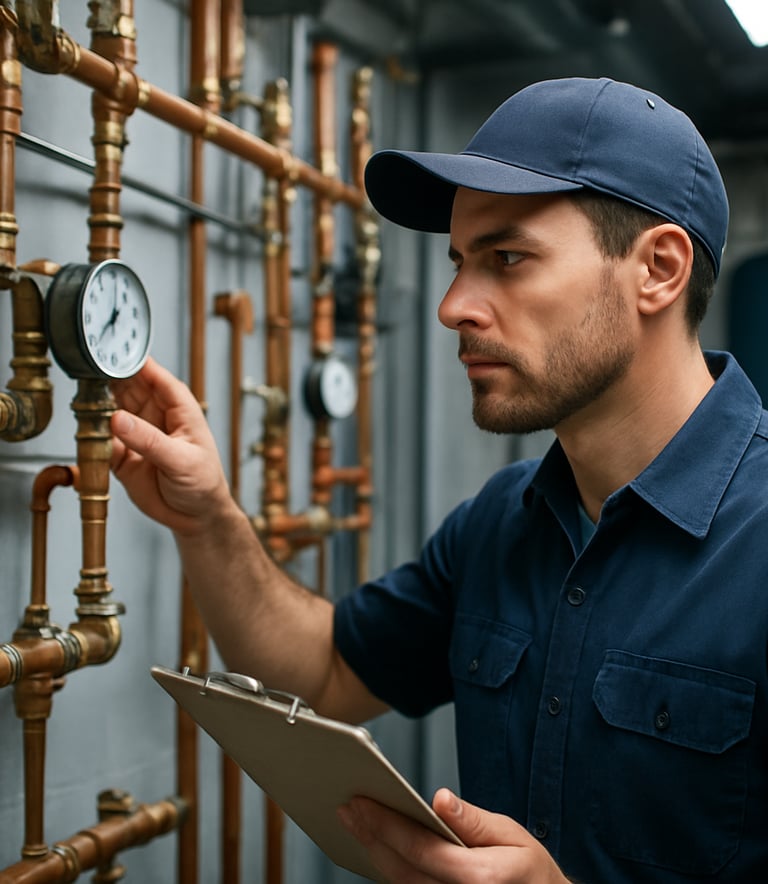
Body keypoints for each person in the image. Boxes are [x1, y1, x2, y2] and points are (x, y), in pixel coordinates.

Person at [109, 77, 768, 883]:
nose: (454, 304)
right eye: (460, 262)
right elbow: (323, 674)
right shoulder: (502, 522)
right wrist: (207, 516)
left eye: (507, 258)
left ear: (658, 270)